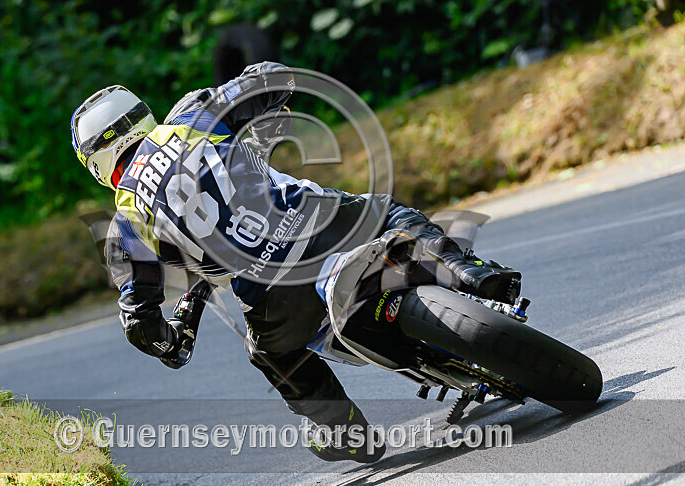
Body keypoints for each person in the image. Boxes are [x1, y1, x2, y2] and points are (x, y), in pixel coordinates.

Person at [70, 63, 520, 463]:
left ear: (97, 163)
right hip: (321, 223)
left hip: (272, 292)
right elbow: (273, 76)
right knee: (393, 215)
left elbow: (139, 323)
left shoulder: (126, 221)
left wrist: (169, 342)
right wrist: (266, 109)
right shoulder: (190, 117)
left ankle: (345, 431)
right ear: (143, 116)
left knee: (269, 354)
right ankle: (473, 274)